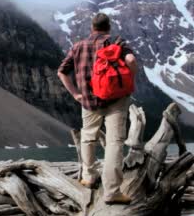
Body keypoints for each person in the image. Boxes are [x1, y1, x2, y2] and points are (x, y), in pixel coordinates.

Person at [57, 13, 138, 205]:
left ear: (92, 28)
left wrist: (76, 94)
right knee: (114, 142)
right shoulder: (117, 42)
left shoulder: (78, 47)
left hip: (88, 101)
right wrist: (129, 81)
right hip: (116, 100)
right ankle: (112, 191)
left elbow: (61, 72)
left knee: (88, 136)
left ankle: (89, 177)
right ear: (108, 27)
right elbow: (131, 61)